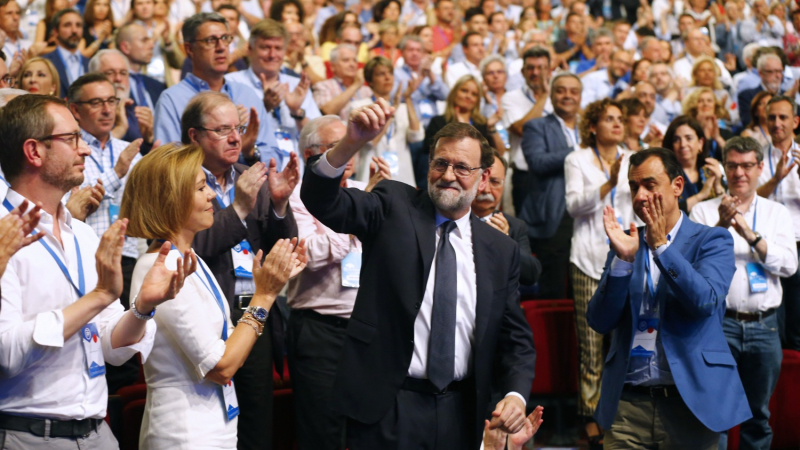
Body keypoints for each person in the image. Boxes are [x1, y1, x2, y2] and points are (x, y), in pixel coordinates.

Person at [300, 98, 537, 450]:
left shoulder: (499, 250)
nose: (448, 175)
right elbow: (324, 202)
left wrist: (516, 395)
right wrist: (351, 142)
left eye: (461, 167)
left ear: (483, 178)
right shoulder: (394, 204)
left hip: (463, 411)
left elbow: (515, 339)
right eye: (440, 163)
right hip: (389, 406)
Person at [0, 93, 190, 449]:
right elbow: (6, 355)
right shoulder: (2, 236)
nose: (85, 150)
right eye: (71, 139)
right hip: (30, 434)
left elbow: (108, 345)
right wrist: (99, 297)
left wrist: (142, 307)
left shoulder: (84, 234)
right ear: (34, 151)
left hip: (97, 431)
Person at [121, 143, 306, 449]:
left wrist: (271, 285)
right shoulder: (161, 266)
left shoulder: (193, 260)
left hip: (216, 425)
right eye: (199, 188)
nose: (211, 195)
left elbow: (231, 343)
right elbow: (222, 366)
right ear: (171, 199)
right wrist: (265, 296)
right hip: (184, 433)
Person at [588, 147, 751, 449]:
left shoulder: (712, 239)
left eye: (649, 186)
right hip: (628, 404)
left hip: (691, 403)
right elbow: (599, 320)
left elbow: (704, 303)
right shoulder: (626, 242)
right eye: (634, 187)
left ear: (677, 186)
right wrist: (623, 262)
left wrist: (662, 246)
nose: (639, 196)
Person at [182, 91, 300, 450]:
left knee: (257, 422)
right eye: (222, 130)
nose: (236, 138)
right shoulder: (180, 181)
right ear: (194, 136)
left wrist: (279, 206)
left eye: (239, 127)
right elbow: (190, 248)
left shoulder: (252, 176)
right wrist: (239, 208)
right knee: (213, 423)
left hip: (255, 311)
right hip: (205, 317)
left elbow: (284, 248)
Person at [690, 136, 798, 450]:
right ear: (724, 168)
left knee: (758, 416)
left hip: (765, 325)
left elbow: (789, 266)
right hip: (718, 324)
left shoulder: (776, 213)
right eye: (733, 165)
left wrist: (751, 237)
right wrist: (722, 226)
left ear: (760, 168)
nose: (740, 173)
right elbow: (695, 265)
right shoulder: (704, 213)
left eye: (747, 166)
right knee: (715, 414)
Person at [285, 115, 368, 450]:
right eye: (336, 147)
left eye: (351, 146)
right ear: (311, 156)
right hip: (319, 331)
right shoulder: (295, 197)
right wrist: (356, 226)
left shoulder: (366, 192)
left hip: (366, 329)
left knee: (367, 428)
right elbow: (308, 253)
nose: (347, 155)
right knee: (323, 432)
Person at [564, 98, 635, 448]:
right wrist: (608, 181)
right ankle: (591, 417)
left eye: (620, 119)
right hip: (587, 260)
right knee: (591, 349)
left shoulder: (634, 159)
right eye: (609, 119)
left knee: (622, 344)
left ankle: (620, 412)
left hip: (625, 262)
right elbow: (574, 206)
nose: (617, 124)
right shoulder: (575, 159)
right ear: (593, 126)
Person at [154, 12, 282, 167]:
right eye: (210, 41)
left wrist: (249, 152)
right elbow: (170, 165)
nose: (221, 47)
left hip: (249, 188)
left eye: (225, 39)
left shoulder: (246, 94)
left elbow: (276, 161)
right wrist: (223, 136)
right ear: (189, 49)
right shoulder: (172, 100)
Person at [225, 19, 320, 171]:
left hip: (297, 177)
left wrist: (297, 112)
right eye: (265, 47)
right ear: (250, 48)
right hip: (251, 171)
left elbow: (318, 138)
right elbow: (228, 134)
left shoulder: (297, 85)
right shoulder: (231, 84)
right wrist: (264, 107)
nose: (272, 54)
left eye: (278, 48)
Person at [519, 72, 582, 299]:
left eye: (573, 91)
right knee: (554, 289)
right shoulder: (536, 126)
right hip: (554, 215)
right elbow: (537, 162)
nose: (567, 96)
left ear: (580, 96)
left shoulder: (590, 129)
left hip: (589, 214)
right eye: (561, 90)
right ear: (552, 95)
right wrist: (580, 150)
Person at [756, 95, 800, 352]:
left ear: (795, 121)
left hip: (798, 241)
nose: (777, 123)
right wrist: (775, 179)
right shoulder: (755, 157)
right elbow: (747, 197)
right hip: (766, 243)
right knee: (772, 317)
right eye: (771, 117)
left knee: (796, 323)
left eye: (783, 117)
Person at [471, 149, 541, 286]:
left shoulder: (515, 226)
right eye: (481, 181)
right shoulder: (452, 220)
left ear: (503, 185)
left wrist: (505, 242)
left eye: (495, 182)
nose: (486, 190)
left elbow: (531, 275)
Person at [421, 75, 505, 187]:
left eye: (474, 94)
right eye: (464, 91)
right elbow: (430, 152)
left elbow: (498, 154)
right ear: (455, 93)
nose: (468, 96)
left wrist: (491, 127)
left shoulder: (481, 124)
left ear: (477, 100)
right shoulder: (439, 122)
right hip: (444, 179)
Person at [352, 56, 422, 187]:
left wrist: (407, 98)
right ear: (370, 81)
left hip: (403, 177)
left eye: (390, 73)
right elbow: (370, 142)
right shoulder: (361, 107)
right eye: (381, 74)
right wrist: (391, 113)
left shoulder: (402, 107)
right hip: (370, 175)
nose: (387, 78)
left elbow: (416, 136)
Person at [502, 46, 552, 213]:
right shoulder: (511, 98)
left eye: (541, 68)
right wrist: (544, 96)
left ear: (550, 71)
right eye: (531, 68)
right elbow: (522, 129)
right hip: (525, 176)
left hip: (555, 175)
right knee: (524, 232)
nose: (535, 73)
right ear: (523, 72)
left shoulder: (559, 98)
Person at [89, 49, 157, 154]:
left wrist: (149, 139)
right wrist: (120, 129)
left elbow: (142, 155)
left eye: (123, 73)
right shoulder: (87, 111)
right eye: (110, 73)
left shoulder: (134, 110)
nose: (118, 78)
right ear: (93, 77)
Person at [662, 115, 724, 214]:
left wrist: (717, 185)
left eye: (689, 138)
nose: (683, 144)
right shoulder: (665, 174)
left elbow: (725, 207)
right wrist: (701, 196)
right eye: (677, 140)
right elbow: (667, 212)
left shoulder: (710, 169)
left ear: (700, 143)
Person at [312, 44, 373, 121]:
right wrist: (355, 85)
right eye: (346, 60)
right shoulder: (323, 86)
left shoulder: (366, 90)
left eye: (354, 60)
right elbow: (326, 112)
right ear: (332, 66)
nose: (352, 64)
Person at [41, 9, 90, 98]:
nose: (74, 30)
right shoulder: (45, 62)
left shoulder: (90, 64)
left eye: (78, 25)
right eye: (67, 25)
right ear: (55, 31)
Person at [738, 53, 789, 132]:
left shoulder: (788, 95)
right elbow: (748, 122)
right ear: (761, 73)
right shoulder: (747, 95)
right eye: (773, 71)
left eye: (780, 71)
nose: (778, 75)